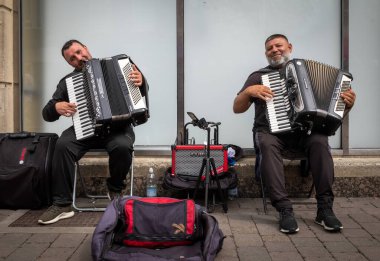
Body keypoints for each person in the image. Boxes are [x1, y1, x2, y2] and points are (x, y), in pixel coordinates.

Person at [233, 34, 356, 234]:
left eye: (278, 45)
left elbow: (333, 116)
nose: (274, 50)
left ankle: (325, 208)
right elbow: (237, 108)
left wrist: (347, 104)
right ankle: (284, 210)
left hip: (303, 135)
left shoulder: (306, 73)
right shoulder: (258, 76)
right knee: (266, 142)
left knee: (320, 140)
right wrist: (248, 93)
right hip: (272, 134)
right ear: (266, 53)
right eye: (270, 48)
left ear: (289, 46)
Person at [38, 39, 148, 225]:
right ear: (69, 63)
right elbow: (47, 114)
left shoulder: (119, 65)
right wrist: (56, 107)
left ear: (86, 48)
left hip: (118, 128)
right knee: (63, 145)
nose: (79, 58)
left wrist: (142, 81)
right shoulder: (67, 82)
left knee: (122, 146)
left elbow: (140, 94)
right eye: (73, 58)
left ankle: (114, 187)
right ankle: (62, 204)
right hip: (86, 129)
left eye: (79, 52)